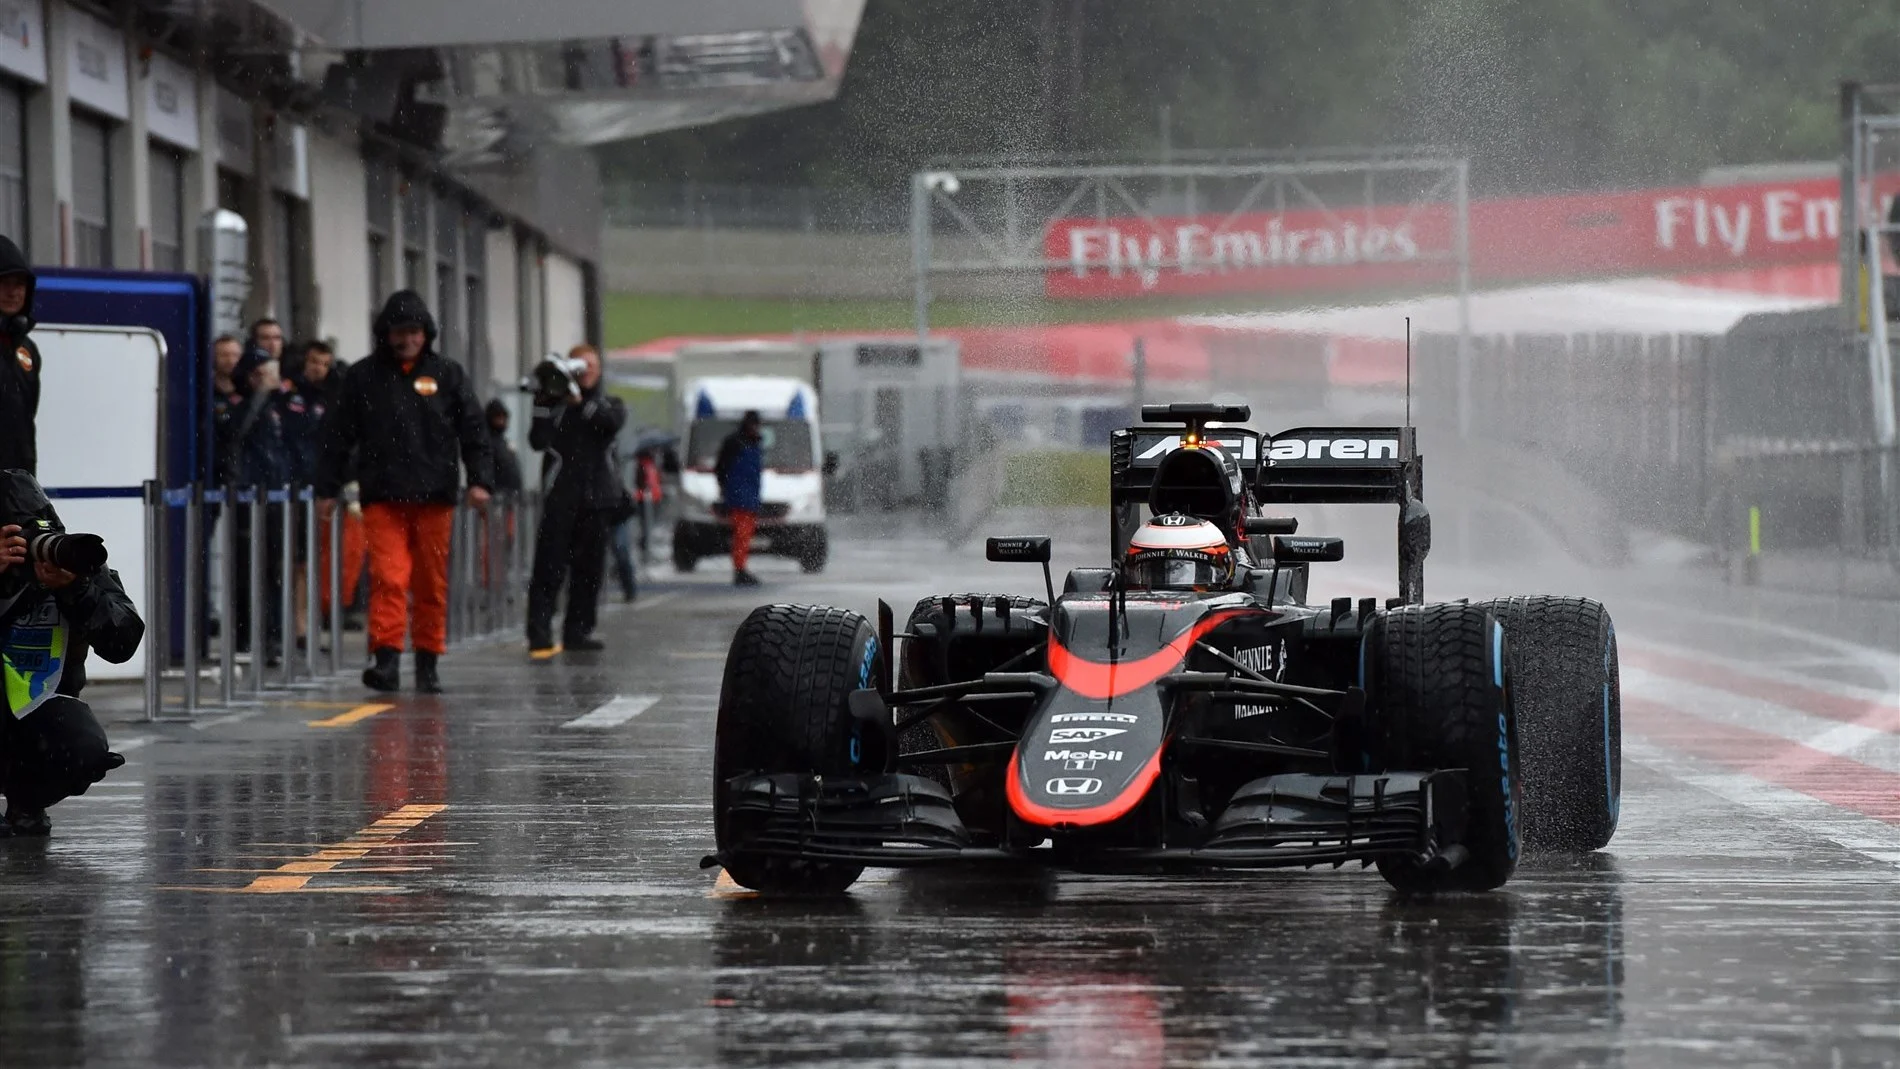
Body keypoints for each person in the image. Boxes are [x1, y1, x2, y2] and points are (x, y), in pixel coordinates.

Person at [316, 291, 492, 694]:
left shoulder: (448, 375)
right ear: (386, 334)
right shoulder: (362, 377)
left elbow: (475, 432)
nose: (407, 339)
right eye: (400, 332)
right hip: (384, 496)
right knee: (389, 579)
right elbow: (337, 437)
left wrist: (481, 480)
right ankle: (387, 658)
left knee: (431, 583)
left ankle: (428, 661)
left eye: (414, 331)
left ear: (425, 333)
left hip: (435, 498)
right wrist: (327, 488)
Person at [0, 471, 142, 837]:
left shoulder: (72, 567)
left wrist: (77, 590)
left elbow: (122, 643)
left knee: (82, 750)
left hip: (35, 708)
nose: (35, 549)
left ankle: (26, 803)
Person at [526, 344, 626, 656]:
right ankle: (539, 633)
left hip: (597, 500)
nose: (585, 372)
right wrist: (546, 400)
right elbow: (537, 440)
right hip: (561, 498)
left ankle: (578, 632)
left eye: (591, 367)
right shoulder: (555, 405)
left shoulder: (609, 403)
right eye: (579, 367)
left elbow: (608, 425)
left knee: (589, 572)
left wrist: (579, 402)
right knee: (548, 568)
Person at [225, 345, 293, 657]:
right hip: (250, 497)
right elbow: (236, 438)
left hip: (275, 495)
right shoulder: (244, 406)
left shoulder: (277, 406)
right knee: (247, 568)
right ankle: (246, 635)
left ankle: (273, 634)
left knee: (274, 569)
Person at [0, 237, 39, 475]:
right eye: (4, 283)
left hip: (19, 486)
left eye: (20, 284)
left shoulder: (27, 350)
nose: (13, 292)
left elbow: (26, 420)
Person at [714, 410, 766, 587]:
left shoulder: (742, 442)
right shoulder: (740, 444)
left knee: (744, 535)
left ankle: (740, 567)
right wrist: (726, 489)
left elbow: (721, 468)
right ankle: (739, 569)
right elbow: (722, 469)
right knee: (742, 535)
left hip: (748, 496)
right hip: (740, 496)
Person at [485, 400, 523, 495]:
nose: (502, 421)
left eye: (503, 417)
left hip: (508, 496)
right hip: (496, 496)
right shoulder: (487, 442)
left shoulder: (502, 442)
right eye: (498, 416)